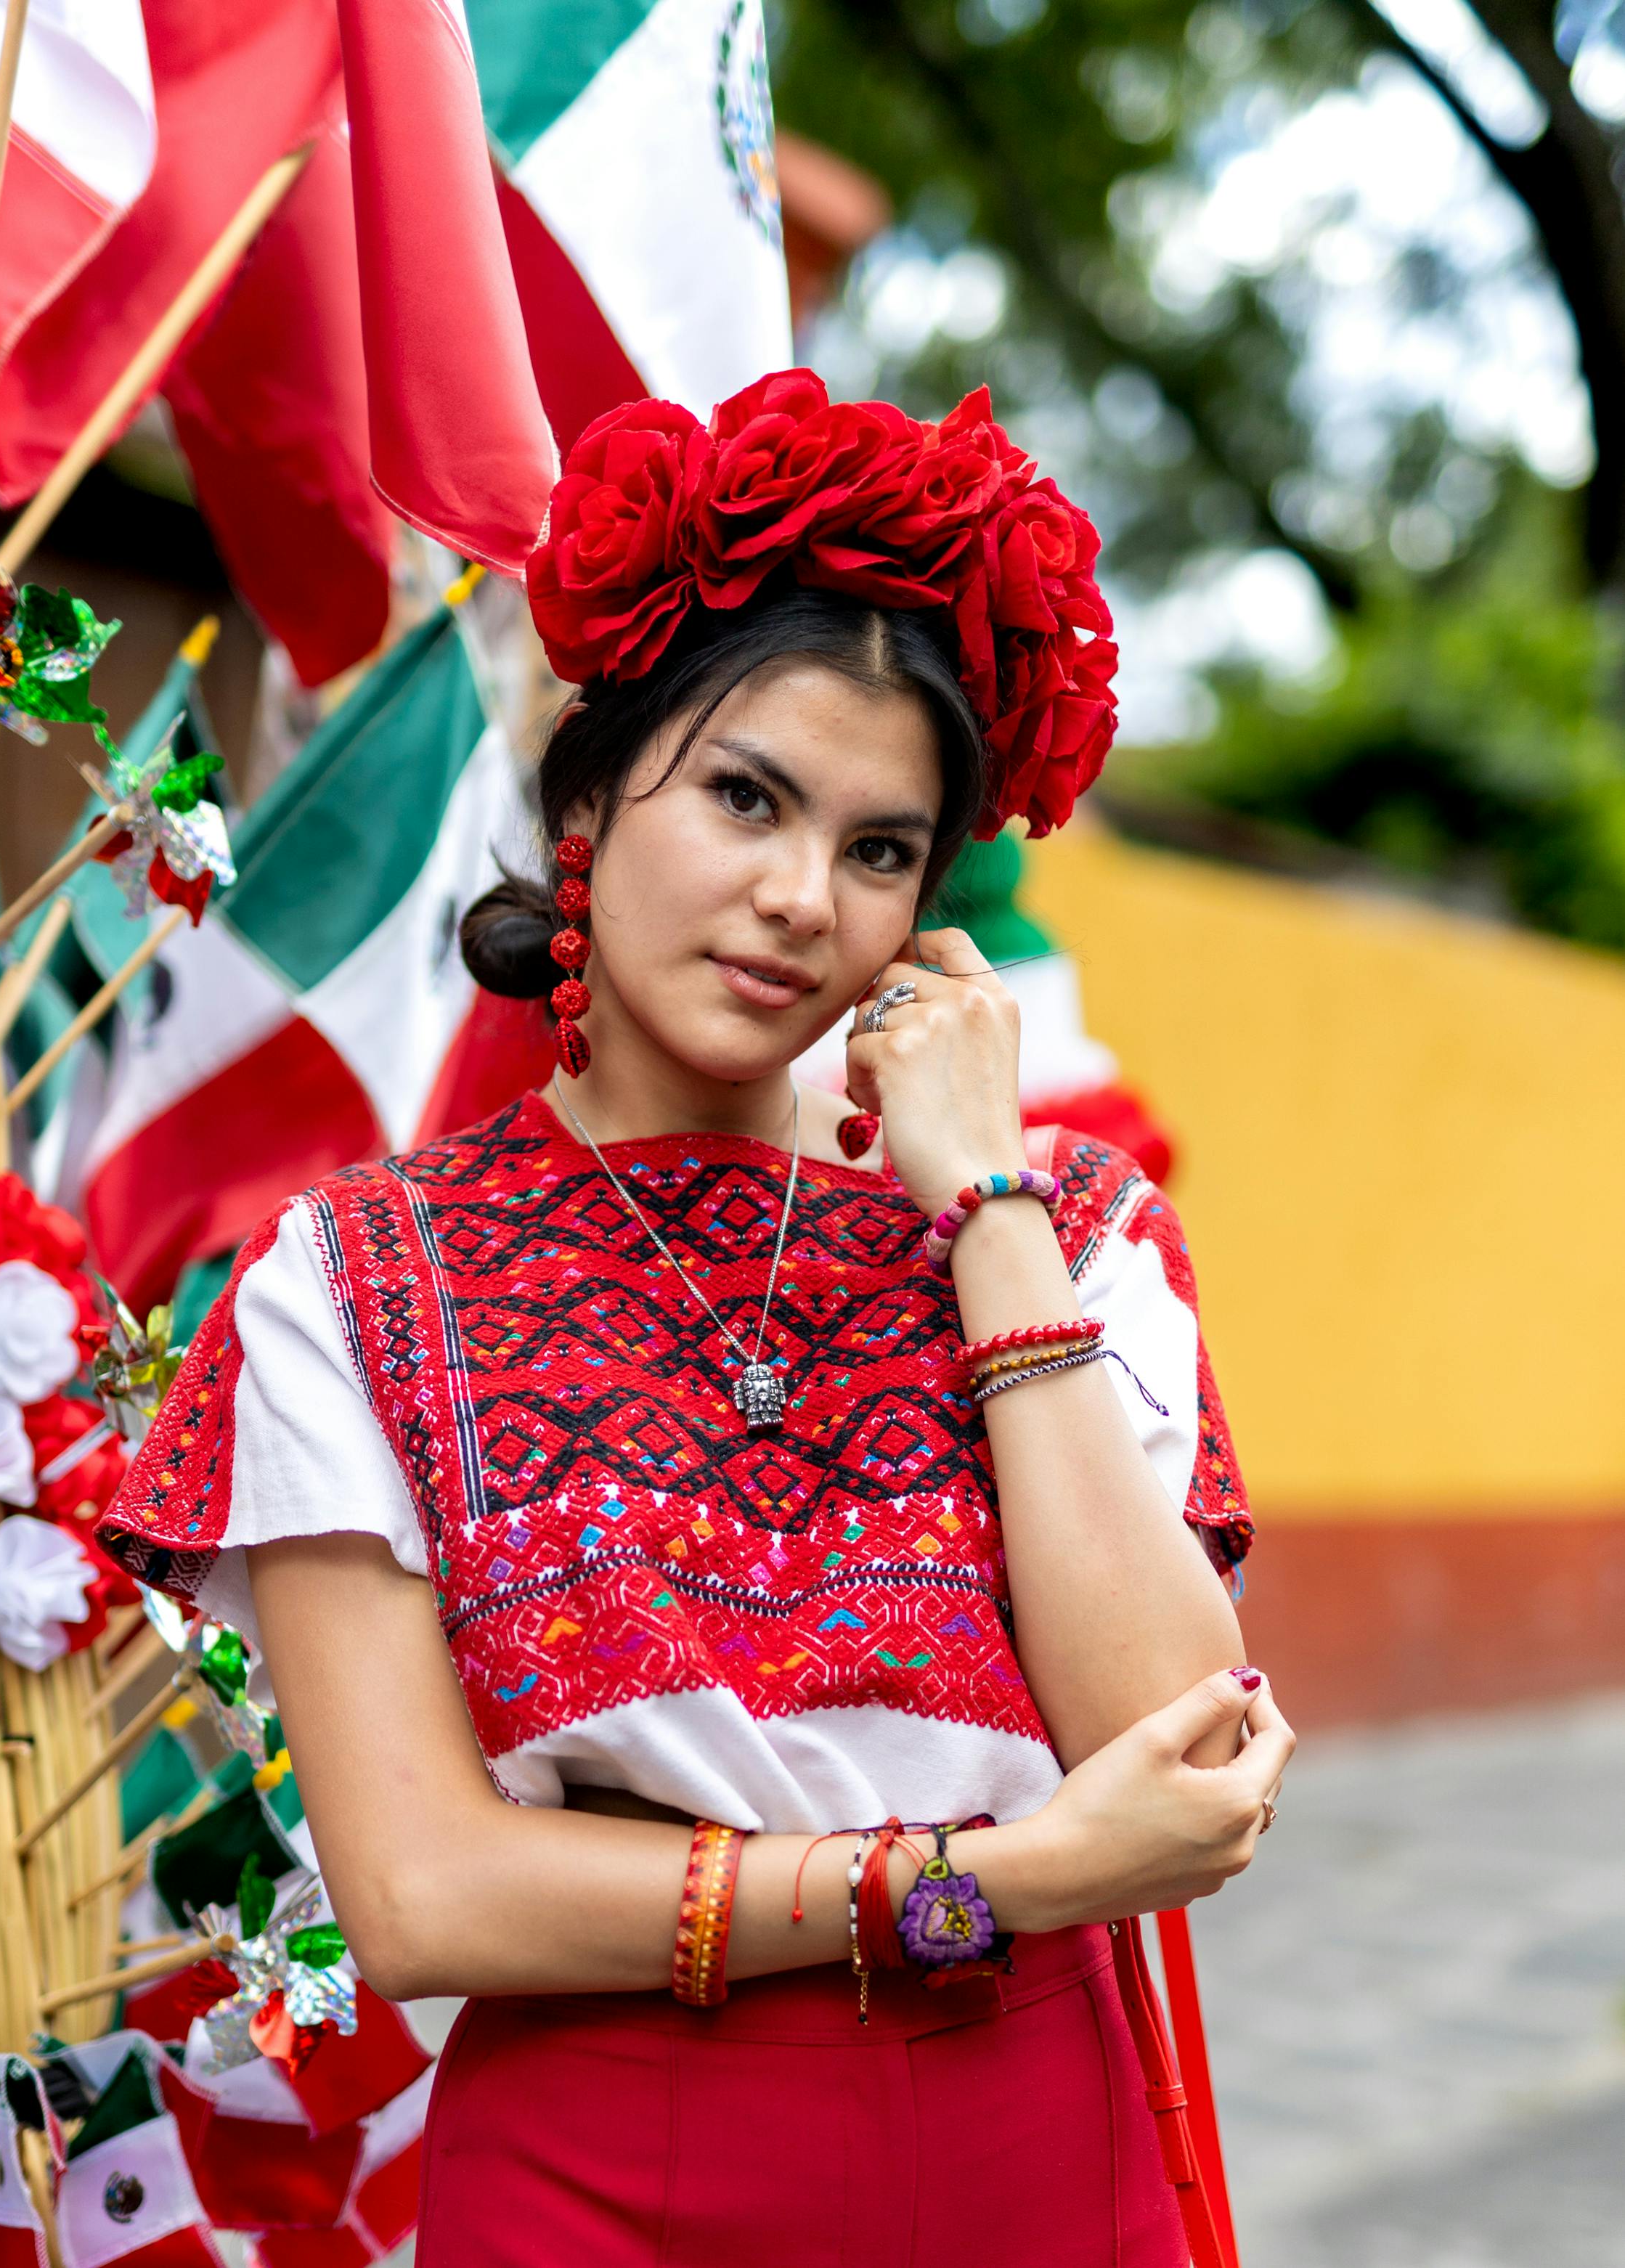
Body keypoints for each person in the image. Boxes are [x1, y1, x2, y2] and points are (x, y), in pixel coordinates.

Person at [103, 372, 1292, 2267]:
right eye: (744, 795)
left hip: (1043, 2163)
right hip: (602, 2178)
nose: (797, 897)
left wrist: (981, 1204)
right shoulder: (358, 1274)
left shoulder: (1069, 1230)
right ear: (591, 785)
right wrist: (978, 1883)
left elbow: (1178, 1748)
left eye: (880, 847)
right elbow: (422, 1893)